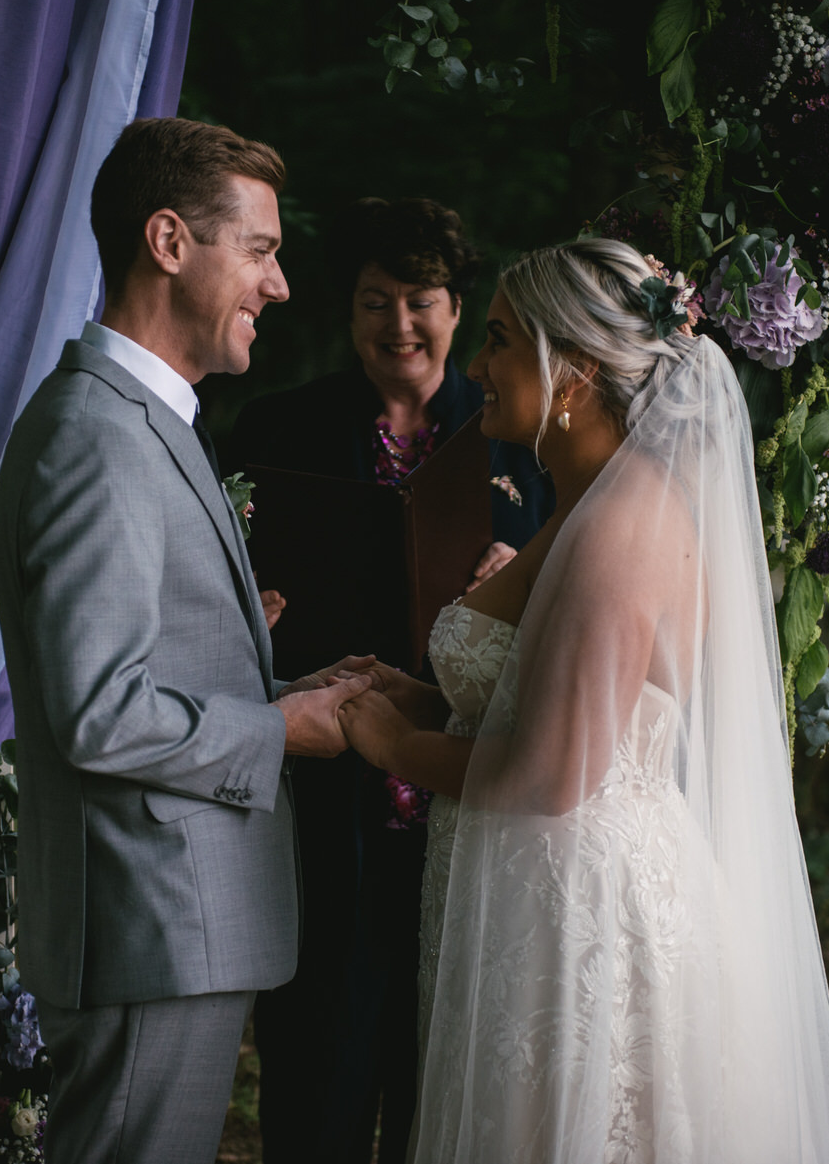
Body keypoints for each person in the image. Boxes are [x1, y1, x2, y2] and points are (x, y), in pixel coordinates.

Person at [338, 238, 829, 1162]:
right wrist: (418, 697)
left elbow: (553, 768)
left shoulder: (621, 529)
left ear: (574, 370)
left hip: (579, 912)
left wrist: (386, 741)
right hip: (538, 884)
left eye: (498, 341)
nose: (476, 367)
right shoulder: (590, 504)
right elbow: (552, 701)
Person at [0, 117, 375, 1164]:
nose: (282, 284)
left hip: (167, 929)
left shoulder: (152, 421)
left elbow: (154, 672)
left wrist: (296, 688)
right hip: (146, 931)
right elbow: (97, 713)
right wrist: (278, 733)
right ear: (168, 242)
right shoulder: (98, 436)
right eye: (259, 249)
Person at [226, 198, 553, 1164]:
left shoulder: (521, 440)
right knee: (315, 1064)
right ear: (347, 310)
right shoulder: (277, 429)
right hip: (324, 790)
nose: (398, 324)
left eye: (421, 300)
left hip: (468, 791)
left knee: (443, 1076)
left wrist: (521, 577)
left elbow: (581, 601)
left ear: (457, 310)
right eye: (375, 301)